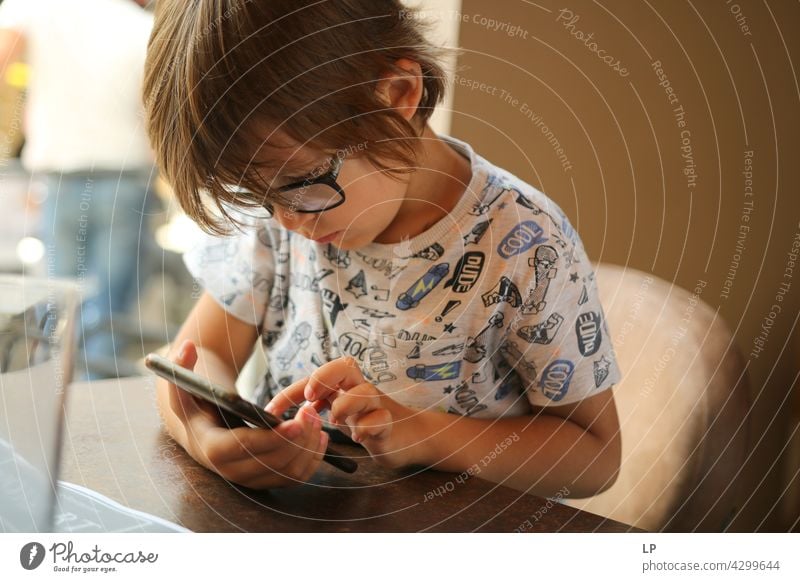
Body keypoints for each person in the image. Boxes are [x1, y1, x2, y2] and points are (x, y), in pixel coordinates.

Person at [143, 0, 622, 495]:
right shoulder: (282, 215)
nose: (286, 220)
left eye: (303, 183)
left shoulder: (522, 240)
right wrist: (204, 436)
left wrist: (422, 433)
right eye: (258, 196)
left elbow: (595, 456)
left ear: (396, 95)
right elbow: (193, 358)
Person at [0, 0, 157, 378]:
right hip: (127, 179)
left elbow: (5, 58)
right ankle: (91, 420)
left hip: (60, 177)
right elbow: (155, 108)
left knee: (54, 304)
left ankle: (44, 411)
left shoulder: (36, 8)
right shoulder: (141, 25)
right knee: (106, 313)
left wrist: (13, 133)